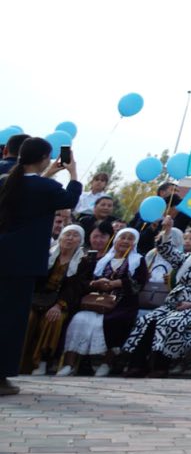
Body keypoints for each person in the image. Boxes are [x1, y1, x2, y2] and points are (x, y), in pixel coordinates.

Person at [0, 138, 83, 393]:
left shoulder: (6, 182)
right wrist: (72, 172)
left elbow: (28, 188)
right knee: (12, 320)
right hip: (22, 261)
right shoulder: (45, 187)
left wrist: (48, 174)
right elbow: (70, 198)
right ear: (44, 158)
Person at [121, 228, 191, 375]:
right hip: (173, 304)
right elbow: (166, 251)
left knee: (172, 322)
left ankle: (161, 366)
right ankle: (137, 365)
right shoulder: (188, 258)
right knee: (147, 320)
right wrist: (167, 230)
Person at [61, 224, 141, 375]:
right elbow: (87, 281)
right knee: (79, 319)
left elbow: (138, 283)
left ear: (135, 242)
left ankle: (106, 363)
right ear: (115, 240)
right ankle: (69, 364)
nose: (125, 241)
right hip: (97, 301)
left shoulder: (138, 261)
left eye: (130, 239)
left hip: (123, 303)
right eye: (122, 237)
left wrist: (115, 283)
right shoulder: (103, 259)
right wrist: (96, 283)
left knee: (114, 320)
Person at [24, 223, 91, 376]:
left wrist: (59, 305)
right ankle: (20, 360)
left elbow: (76, 288)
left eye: (75, 236)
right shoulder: (47, 256)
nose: (70, 238)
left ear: (80, 241)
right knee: (28, 317)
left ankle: (42, 361)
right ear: (60, 237)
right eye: (67, 234)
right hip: (37, 299)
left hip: (62, 302)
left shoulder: (83, 262)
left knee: (54, 319)